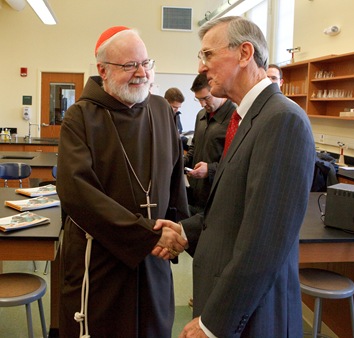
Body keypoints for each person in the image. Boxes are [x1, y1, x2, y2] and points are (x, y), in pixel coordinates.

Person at [153, 16, 316, 337]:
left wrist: (215, 323)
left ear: (244, 53)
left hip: (251, 315)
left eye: (208, 55)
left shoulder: (283, 120)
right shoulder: (247, 117)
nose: (201, 66)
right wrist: (186, 231)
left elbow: (264, 242)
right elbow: (234, 207)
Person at [56, 26, 189, 338]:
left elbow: (174, 177)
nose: (141, 73)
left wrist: (179, 229)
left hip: (155, 255)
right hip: (102, 258)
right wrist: (144, 235)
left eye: (146, 63)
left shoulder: (160, 109)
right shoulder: (81, 117)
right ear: (103, 70)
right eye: (130, 65)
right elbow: (77, 191)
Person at [185, 73, 236, 215]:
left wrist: (210, 170)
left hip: (217, 197)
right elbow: (194, 147)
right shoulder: (201, 116)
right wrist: (181, 162)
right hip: (195, 193)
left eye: (206, 98)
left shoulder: (236, 118)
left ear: (217, 90)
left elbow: (237, 163)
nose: (202, 104)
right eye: (198, 100)